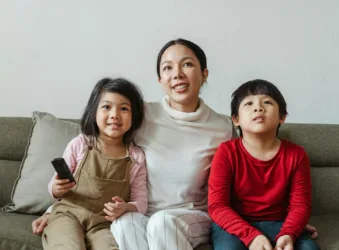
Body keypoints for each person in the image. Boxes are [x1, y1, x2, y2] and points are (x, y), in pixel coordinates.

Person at [32, 39, 318, 250]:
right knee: (122, 224)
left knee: (163, 222)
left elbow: (245, 177)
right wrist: (53, 211)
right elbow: (96, 157)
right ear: (160, 79)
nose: (178, 73)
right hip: (143, 214)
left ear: (204, 74)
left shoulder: (222, 125)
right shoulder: (141, 115)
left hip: (193, 216)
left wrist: (283, 224)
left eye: (188, 64)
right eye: (168, 68)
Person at [208, 79, 320, 250]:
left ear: (282, 117)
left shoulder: (296, 154)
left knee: (309, 248)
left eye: (267, 102)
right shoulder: (226, 152)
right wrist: (251, 236)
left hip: (280, 224)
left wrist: (289, 233)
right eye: (248, 103)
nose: (258, 107)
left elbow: (300, 205)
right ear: (235, 119)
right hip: (235, 225)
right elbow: (217, 205)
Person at [41, 77, 147, 249]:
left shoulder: (137, 157)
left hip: (104, 224)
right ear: (94, 112)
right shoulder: (80, 143)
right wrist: (56, 188)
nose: (115, 115)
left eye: (124, 108)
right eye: (106, 107)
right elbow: (54, 183)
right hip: (68, 214)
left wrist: (126, 207)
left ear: (134, 116)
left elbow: (141, 201)